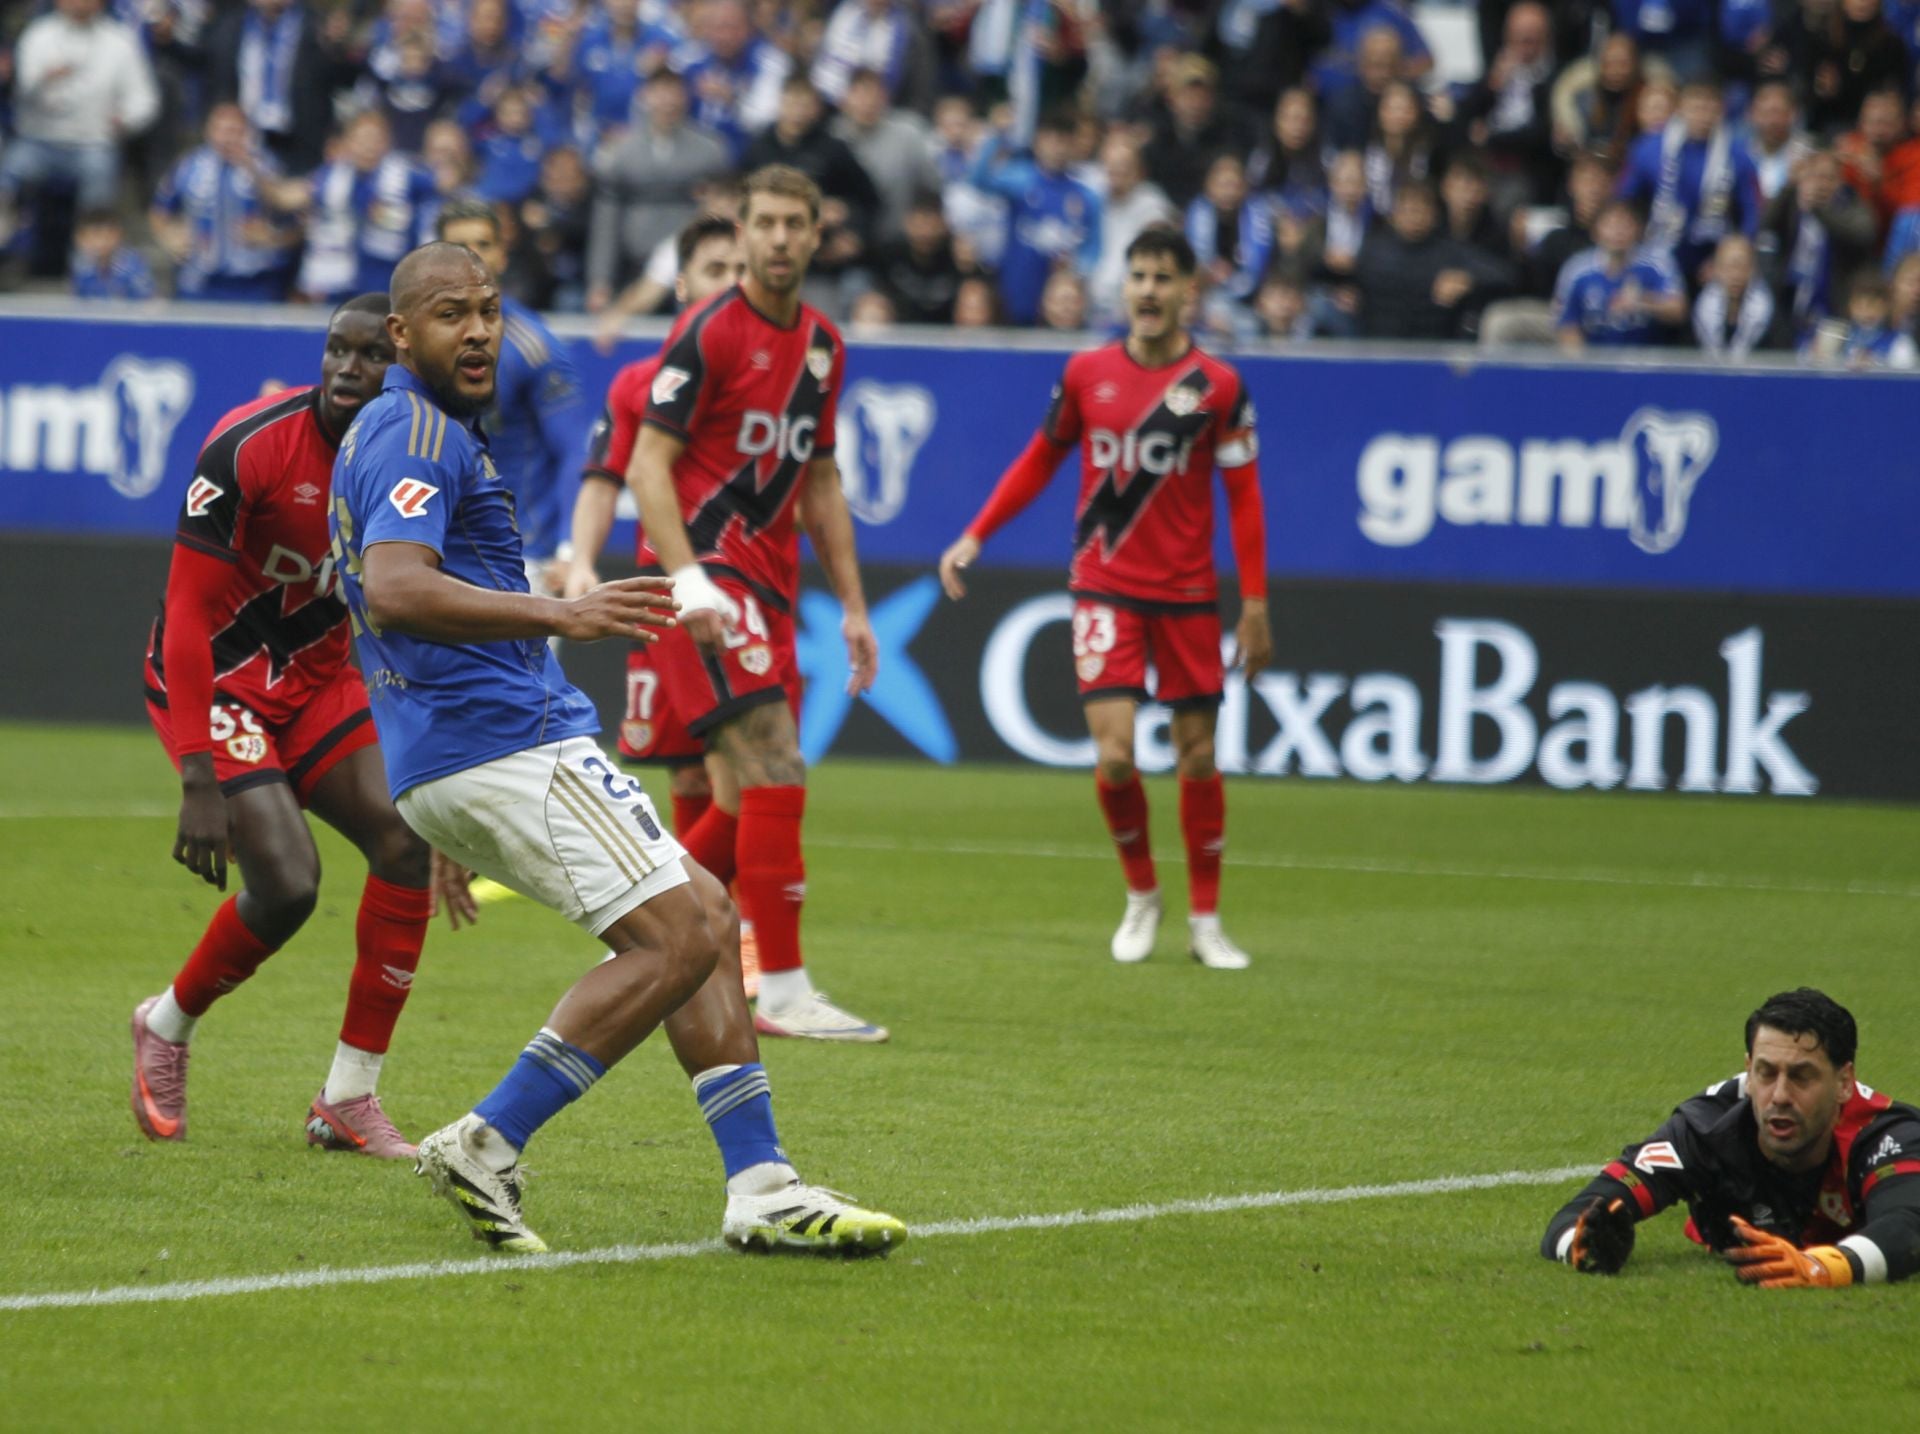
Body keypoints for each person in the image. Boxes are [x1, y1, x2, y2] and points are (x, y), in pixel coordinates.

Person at [329, 240, 906, 1254]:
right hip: (505, 742)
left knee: (707, 921)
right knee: (681, 935)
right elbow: (396, 586)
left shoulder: (416, 431)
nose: (477, 331)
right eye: (451, 313)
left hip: (464, 749)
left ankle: (762, 1184)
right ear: (400, 335)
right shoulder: (415, 429)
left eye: (491, 310)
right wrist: (565, 612)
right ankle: (489, 1139)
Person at [133, 296, 432, 1159]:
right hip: (220, 681)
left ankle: (349, 1097)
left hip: (317, 680)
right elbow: (186, 611)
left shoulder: (419, 460)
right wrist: (197, 770)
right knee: (290, 885)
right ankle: (166, 1023)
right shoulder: (250, 443)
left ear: (402, 367)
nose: (345, 368)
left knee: (407, 841)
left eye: (369, 355)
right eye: (336, 349)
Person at [938, 229, 1271, 970]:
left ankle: (1207, 919)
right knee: (1116, 757)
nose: (1148, 290)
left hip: (1185, 594)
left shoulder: (1217, 386)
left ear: (1190, 290)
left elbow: (1245, 500)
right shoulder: (1087, 373)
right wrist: (977, 533)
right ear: (1124, 288)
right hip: (1105, 588)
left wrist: (1253, 604)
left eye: (1163, 278)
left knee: (1198, 754)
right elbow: (1039, 458)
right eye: (1138, 276)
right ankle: (1142, 894)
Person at [625, 166, 890, 1042]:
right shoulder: (709, 333)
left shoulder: (823, 346)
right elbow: (646, 466)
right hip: (704, 573)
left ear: (817, 234)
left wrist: (853, 606)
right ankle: (780, 985)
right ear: (742, 234)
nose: (778, 239)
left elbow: (820, 481)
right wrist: (689, 577)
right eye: (764, 224)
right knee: (777, 763)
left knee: (745, 795)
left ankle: (631, 932)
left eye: (794, 224)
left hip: (771, 586)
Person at [566, 215, 750, 982]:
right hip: (670, 592)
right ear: (681, 285)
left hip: (745, 589)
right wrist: (580, 559)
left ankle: (694, 925)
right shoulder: (641, 383)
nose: (730, 283)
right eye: (714, 268)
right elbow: (607, 479)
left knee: (741, 772)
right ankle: (699, 929)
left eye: (741, 269)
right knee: (694, 776)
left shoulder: (764, 378)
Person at [1544, 989, 1920, 1287]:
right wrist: (1583, 1245)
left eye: (1802, 1076)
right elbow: (1572, 1217)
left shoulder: (1887, 1135)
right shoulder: (1707, 1128)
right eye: (1766, 1073)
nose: (1780, 1095)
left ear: (1843, 1082)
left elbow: (1907, 1227)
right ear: (1748, 1070)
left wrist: (1824, 1267)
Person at [435, 200, 590, 592]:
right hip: (427, 551)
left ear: (503, 254)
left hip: (516, 560)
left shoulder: (535, 347)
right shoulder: (403, 344)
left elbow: (574, 451)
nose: (474, 259)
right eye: (459, 248)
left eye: (484, 245)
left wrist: (571, 550)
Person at [0, 0, 159, 226]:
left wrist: (125, 120)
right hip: (39, 141)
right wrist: (44, 80)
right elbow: (19, 92)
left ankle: (89, 252)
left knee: (99, 176)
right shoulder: (38, 35)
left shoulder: (120, 40)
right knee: (8, 172)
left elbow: (145, 100)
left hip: (93, 143)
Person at [1617, 80, 1762, 284]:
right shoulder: (1648, 148)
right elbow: (1625, 200)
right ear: (1680, 108)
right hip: (1657, 244)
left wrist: (1729, 258)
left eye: (1710, 108)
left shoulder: (1739, 155)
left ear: (1721, 110)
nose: (1702, 116)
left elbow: (1751, 213)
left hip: (1714, 251)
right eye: (1695, 107)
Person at [150, 103, 299, 303]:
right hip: (201, 281)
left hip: (256, 281)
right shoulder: (188, 166)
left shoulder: (268, 165)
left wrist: (273, 238)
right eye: (220, 130)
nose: (227, 137)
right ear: (208, 131)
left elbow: (295, 218)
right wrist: (169, 237)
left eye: (235, 130)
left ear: (247, 132)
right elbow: (159, 211)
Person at [293, 110, 441, 305]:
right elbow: (293, 196)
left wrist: (395, 217)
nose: (368, 146)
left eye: (376, 139)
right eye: (361, 139)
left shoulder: (406, 174)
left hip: (389, 279)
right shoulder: (332, 176)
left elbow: (442, 185)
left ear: (388, 142)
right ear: (347, 143)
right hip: (340, 280)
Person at [1553, 197, 1688, 349]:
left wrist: (1641, 301)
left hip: (1650, 360)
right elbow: (1567, 325)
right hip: (1596, 361)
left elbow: (1678, 310)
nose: (1618, 232)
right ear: (1596, 231)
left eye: (1625, 225)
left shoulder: (1657, 263)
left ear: (1638, 230)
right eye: (1611, 225)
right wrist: (1582, 364)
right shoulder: (1576, 269)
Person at [1692, 233, 1783, 356]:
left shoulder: (1772, 320)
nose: (1736, 276)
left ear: (1753, 270)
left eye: (1742, 267)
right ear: (1716, 270)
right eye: (1729, 267)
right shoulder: (1698, 313)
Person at [69, 210, 156, 300]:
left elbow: (148, 298)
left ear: (119, 235)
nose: (102, 242)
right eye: (96, 235)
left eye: (108, 235)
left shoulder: (132, 264)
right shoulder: (80, 265)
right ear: (81, 239)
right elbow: (79, 299)